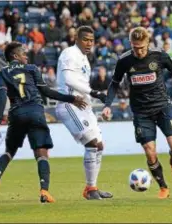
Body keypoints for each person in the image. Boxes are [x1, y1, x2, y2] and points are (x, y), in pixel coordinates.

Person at [102, 27, 172, 199]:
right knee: (150, 151)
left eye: (142, 47)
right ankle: (164, 187)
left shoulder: (159, 55)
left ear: (148, 43)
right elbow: (114, 83)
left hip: (162, 107)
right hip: (141, 112)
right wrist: (107, 105)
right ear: (131, 44)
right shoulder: (125, 60)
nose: (139, 51)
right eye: (135, 48)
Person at [0, 42, 87, 204]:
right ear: (15, 56)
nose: (26, 56)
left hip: (16, 114)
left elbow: (2, 97)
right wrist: (72, 98)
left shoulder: (1, 74)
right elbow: (47, 92)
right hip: (35, 112)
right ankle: (44, 191)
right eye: (23, 53)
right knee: (41, 153)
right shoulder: (31, 69)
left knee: (9, 152)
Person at [55, 26, 113, 200]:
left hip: (83, 105)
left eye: (91, 40)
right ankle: (90, 190)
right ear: (77, 39)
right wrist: (96, 93)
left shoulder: (85, 60)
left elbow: (82, 86)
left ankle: (91, 187)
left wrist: (93, 100)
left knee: (99, 146)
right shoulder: (69, 54)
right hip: (69, 104)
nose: (89, 43)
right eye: (85, 39)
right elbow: (69, 80)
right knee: (92, 143)